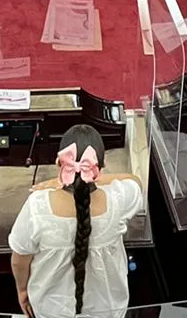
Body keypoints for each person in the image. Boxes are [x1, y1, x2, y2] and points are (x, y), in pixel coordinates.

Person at [9, 125, 144, 318]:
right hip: (108, 311)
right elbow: (134, 181)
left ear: (59, 163)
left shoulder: (37, 205)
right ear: (100, 168)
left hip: (50, 311)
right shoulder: (119, 199)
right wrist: (96, 178)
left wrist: (22, 290)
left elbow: (20, 259)